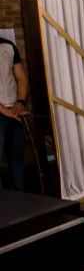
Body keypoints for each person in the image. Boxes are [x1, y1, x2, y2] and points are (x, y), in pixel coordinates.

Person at [0, 34, 29, 191]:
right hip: (3, 112)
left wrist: (20, 102)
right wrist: (4, 110)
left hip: (14, 110)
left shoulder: (9, 45)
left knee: (17, 157)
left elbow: (21, 77)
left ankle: (20, 195)